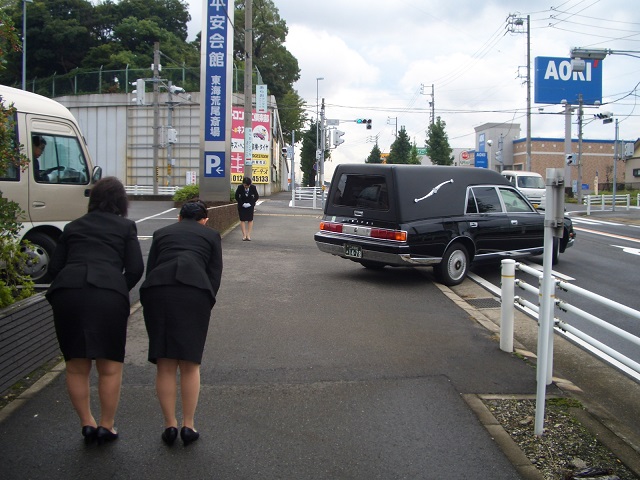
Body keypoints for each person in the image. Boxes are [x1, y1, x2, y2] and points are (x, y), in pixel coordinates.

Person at [46, 176, 144, 445]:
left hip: (68, 294)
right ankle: (106, 425)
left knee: (76, 366)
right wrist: (115, 288)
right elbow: (135, 269)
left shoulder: (73, 227)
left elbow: (54, 268)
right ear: (121, 202)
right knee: (109, 367)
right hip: (107, 296)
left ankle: (86, 423)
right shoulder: (125, 227)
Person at [140, 199, 223, 447]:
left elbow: (151, 268)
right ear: (204, 220)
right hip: (194, 292)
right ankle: (188, 425)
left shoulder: (161, 233)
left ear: (178, 218)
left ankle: (169, 425)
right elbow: (214, 275)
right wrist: (206, 301)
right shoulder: (211, 236)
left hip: (158, 290)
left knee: (165, 362)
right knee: (189, 363)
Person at [234, 176, 259, 241]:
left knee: (250, 219)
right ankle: (244, 235)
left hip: (250, 205)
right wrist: (242, 203)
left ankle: (248, 235)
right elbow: (236, 196)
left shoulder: (253, 187)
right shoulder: (240, 187)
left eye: (247, 186)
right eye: (245, 185)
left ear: (249, 184)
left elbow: (256, 196)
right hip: (242, 206)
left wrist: (251, 203)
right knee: (242, 219)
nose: (246, 187)